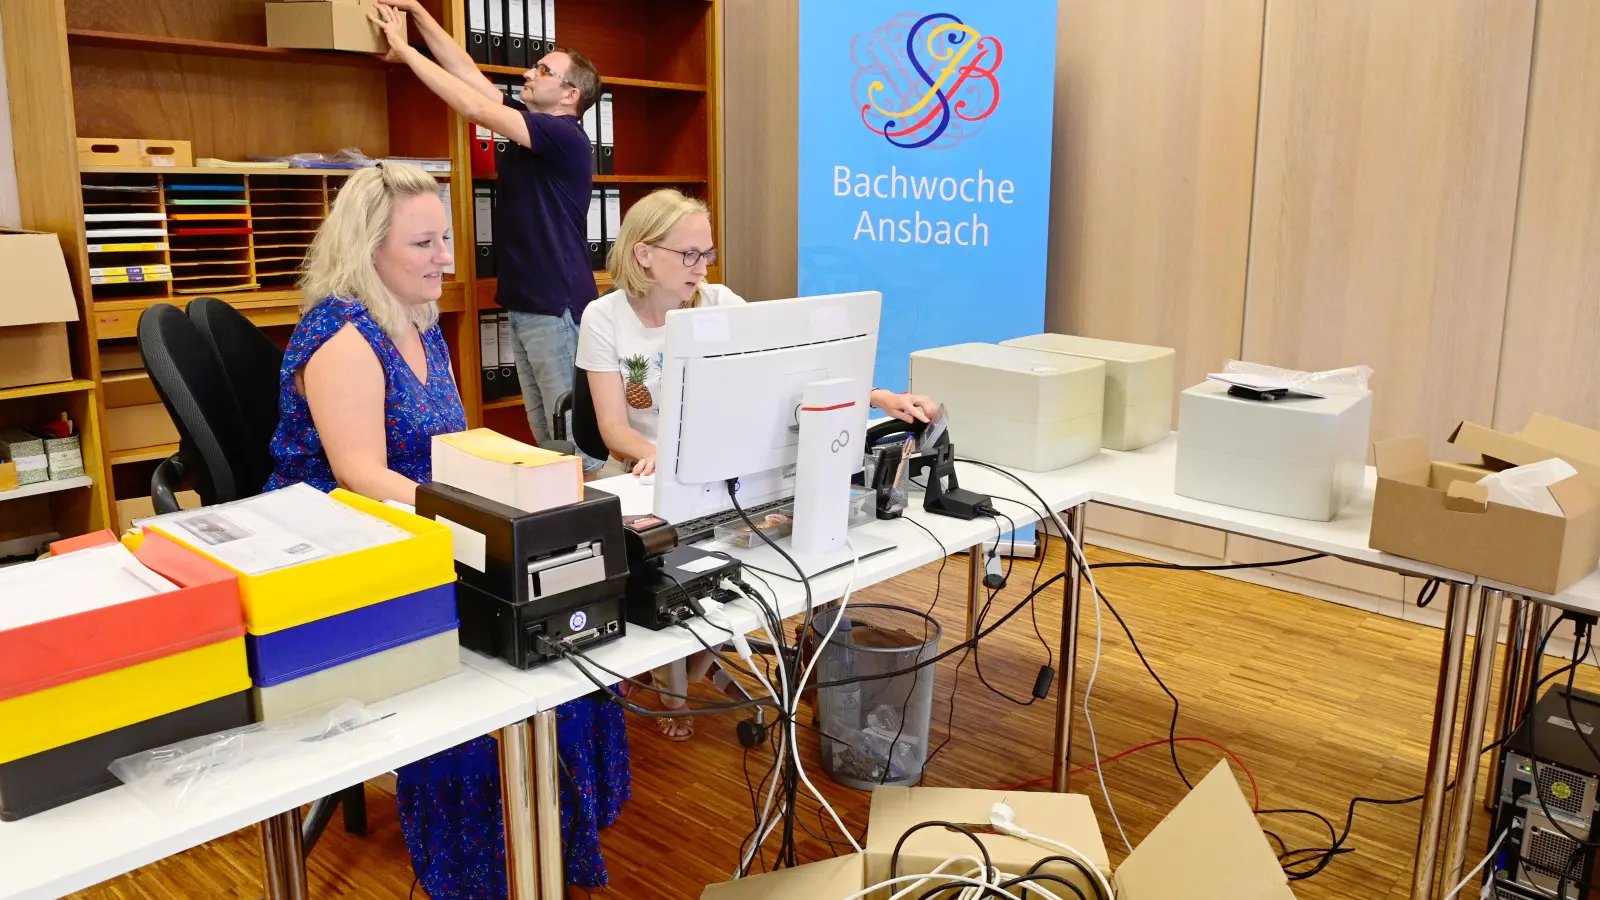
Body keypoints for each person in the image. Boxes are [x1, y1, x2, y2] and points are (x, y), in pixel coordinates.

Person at [264, 163, 628, 895]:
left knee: (569, 632)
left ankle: (554, 841)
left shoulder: (417, 320)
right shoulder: (339, 335)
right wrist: (479, 520)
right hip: (350, 541)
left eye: (445, 240)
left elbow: (450, 446)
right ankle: (478, 870)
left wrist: (515, 487)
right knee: (490, 671)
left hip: (417, 519)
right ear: (369, 250)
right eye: (425, 243)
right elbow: (362, 475)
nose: (447, 259)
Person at [575, 188, 937, 738]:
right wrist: (657, 456)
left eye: (707, 254)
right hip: (640, 474)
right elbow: (611, 428)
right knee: (676, 569)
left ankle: (700, 659)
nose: (701, 267)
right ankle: (681, 675)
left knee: (764, 566)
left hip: (723, 473)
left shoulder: (721, 305)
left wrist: (881, 398)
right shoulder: (604, 317)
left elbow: (801, 370)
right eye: (688, 254)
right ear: (644, 253)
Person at [371, 1, 604, 470]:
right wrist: (418, 14)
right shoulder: (531, 127)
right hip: (527, 305)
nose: (530, 72)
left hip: (554, 307)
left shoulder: (563, 136)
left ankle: (596, 524)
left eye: (544, 70)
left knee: (573, 444)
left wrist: (403, 50)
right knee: (548, 443)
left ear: (569, 96)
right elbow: (466, 73)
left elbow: (471, 103)